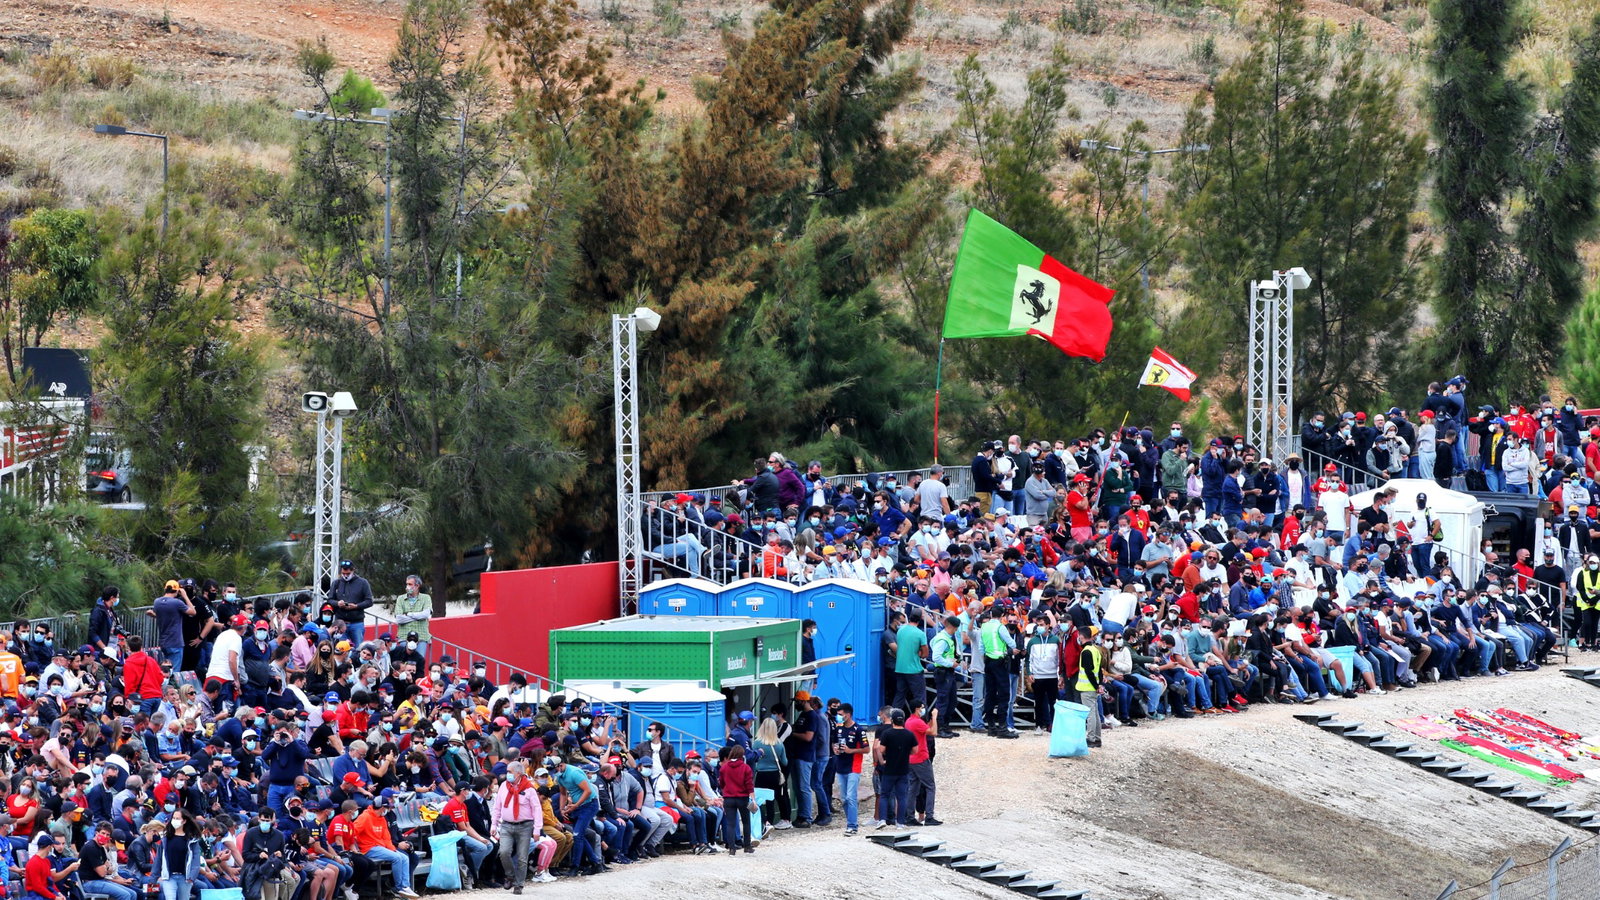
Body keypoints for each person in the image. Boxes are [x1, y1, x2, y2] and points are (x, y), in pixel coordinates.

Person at [491, 761, 556, 892]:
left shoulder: (529, 789)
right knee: (504, 852)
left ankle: (518, 884)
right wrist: (494, 824)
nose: (507, 774)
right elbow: (497, 807)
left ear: (518, 773)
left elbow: (536, 810)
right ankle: (509, 875)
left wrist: (537, 829)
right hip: (507, 825)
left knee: (522, 857)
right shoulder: (504, 786)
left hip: (525, 826)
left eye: (510, 772)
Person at [352, 790, 418, 899]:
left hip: (380, 846)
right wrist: (354, 847)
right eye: (387, 807)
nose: (388, 810)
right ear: (382, 808)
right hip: (368, 848)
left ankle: (406, 886)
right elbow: (353, 832)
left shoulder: (382, 819)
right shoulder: (365, 817)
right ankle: (399, 888)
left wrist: (393, 849)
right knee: (397, 858)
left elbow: (386, 837)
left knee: (404, 857)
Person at [872, 711, 916, 828]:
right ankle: (900, 822)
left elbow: (881, 749)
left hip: (889, 768)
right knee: (901, 796)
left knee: (885, 794)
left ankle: (882, 820)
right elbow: (915, 750)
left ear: (892, 720)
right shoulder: (909, 734)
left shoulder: (887, 733)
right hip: (903, 769)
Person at [157, 811, 205, 900]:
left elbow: (195, 859)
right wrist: (155, 876)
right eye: (173, 818)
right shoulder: (166, 838)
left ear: (184, 821)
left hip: (185, 877)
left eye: (178, 818)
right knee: (170, 898)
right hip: (169, 876)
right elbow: (159, 858)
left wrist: (192, 877)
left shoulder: (192, 840)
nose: (174, 821)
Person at [328, 561, 374, 647]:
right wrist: (337, 603)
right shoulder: (336, 583)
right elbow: (330, 600)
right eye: (343, 573)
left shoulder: (363, 583)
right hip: (340, 622)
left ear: (353, 571)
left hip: (357, 623)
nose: (345, 575)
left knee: (359, 648)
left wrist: (356, 606)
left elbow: (369, 601)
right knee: (341, 648)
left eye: (348, 573)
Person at [718, 746, 754, 855]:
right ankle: (747, 846)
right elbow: (749, 785)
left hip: (728, 798)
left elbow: (722, 783)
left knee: (730, 823)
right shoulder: (746, 768)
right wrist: (753, 798)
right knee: (746, 822)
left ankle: (732, 848)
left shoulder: (724, 768)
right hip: (742, 798)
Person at [390, 577, 431, 661]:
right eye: (407, 584)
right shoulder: (400, 599)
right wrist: (418, 616)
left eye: (410, 584)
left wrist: (408, 614)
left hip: (421, 636)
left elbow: (426, 614)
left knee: (419, 661)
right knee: (403, 662)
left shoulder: (426, 598)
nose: (407, 587)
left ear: (417, 586)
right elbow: (399, 619)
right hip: (404, 636)